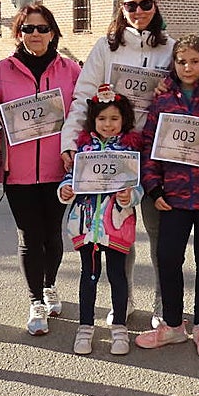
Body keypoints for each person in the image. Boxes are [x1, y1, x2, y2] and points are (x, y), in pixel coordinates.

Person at [60, 0, 171, 326]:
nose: (139, 11)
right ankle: (125, 300)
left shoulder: (168, 47)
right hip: (110, 150)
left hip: (153, 149)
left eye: (145, 4)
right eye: (131, 6)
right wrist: (69, 141)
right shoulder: (106, 47)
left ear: (155, 7)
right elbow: (83, 96)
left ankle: (161, 300)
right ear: (121, 10)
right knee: (115, 227)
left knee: (156, 228)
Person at [135, 36, 199, 358]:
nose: (187, 67)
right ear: (173, 65)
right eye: (181, 62)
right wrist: (153, 187)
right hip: (173, 195)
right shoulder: (163, 99)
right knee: (168, 257)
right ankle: (174, 325)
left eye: (193, 61)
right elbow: (149, 144)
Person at [0, 4, 82, 335]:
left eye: (43, 28)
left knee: (52, 234)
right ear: (18, 34)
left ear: (53, 32)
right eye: (28, 28)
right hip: (19, 172)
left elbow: (80, 115)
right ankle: (35, 301)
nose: (36, 34)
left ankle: (49, 285)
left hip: (58, 168)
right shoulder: (1, 70)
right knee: (30, 237)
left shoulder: (70, 70)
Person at [58, 88, 144, 356]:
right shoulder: (84, 150)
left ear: (124, 120)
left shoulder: (129, 151)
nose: (108, 125)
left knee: (118, 276)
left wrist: (130, 196)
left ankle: (119, 327)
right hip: (87, 226)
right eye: (102, 119)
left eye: (114, 119)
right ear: (93, 122)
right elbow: (71, 178)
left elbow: (138, 187)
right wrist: (65, 189)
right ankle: (85, 327)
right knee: (89, 275)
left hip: (117, 225)